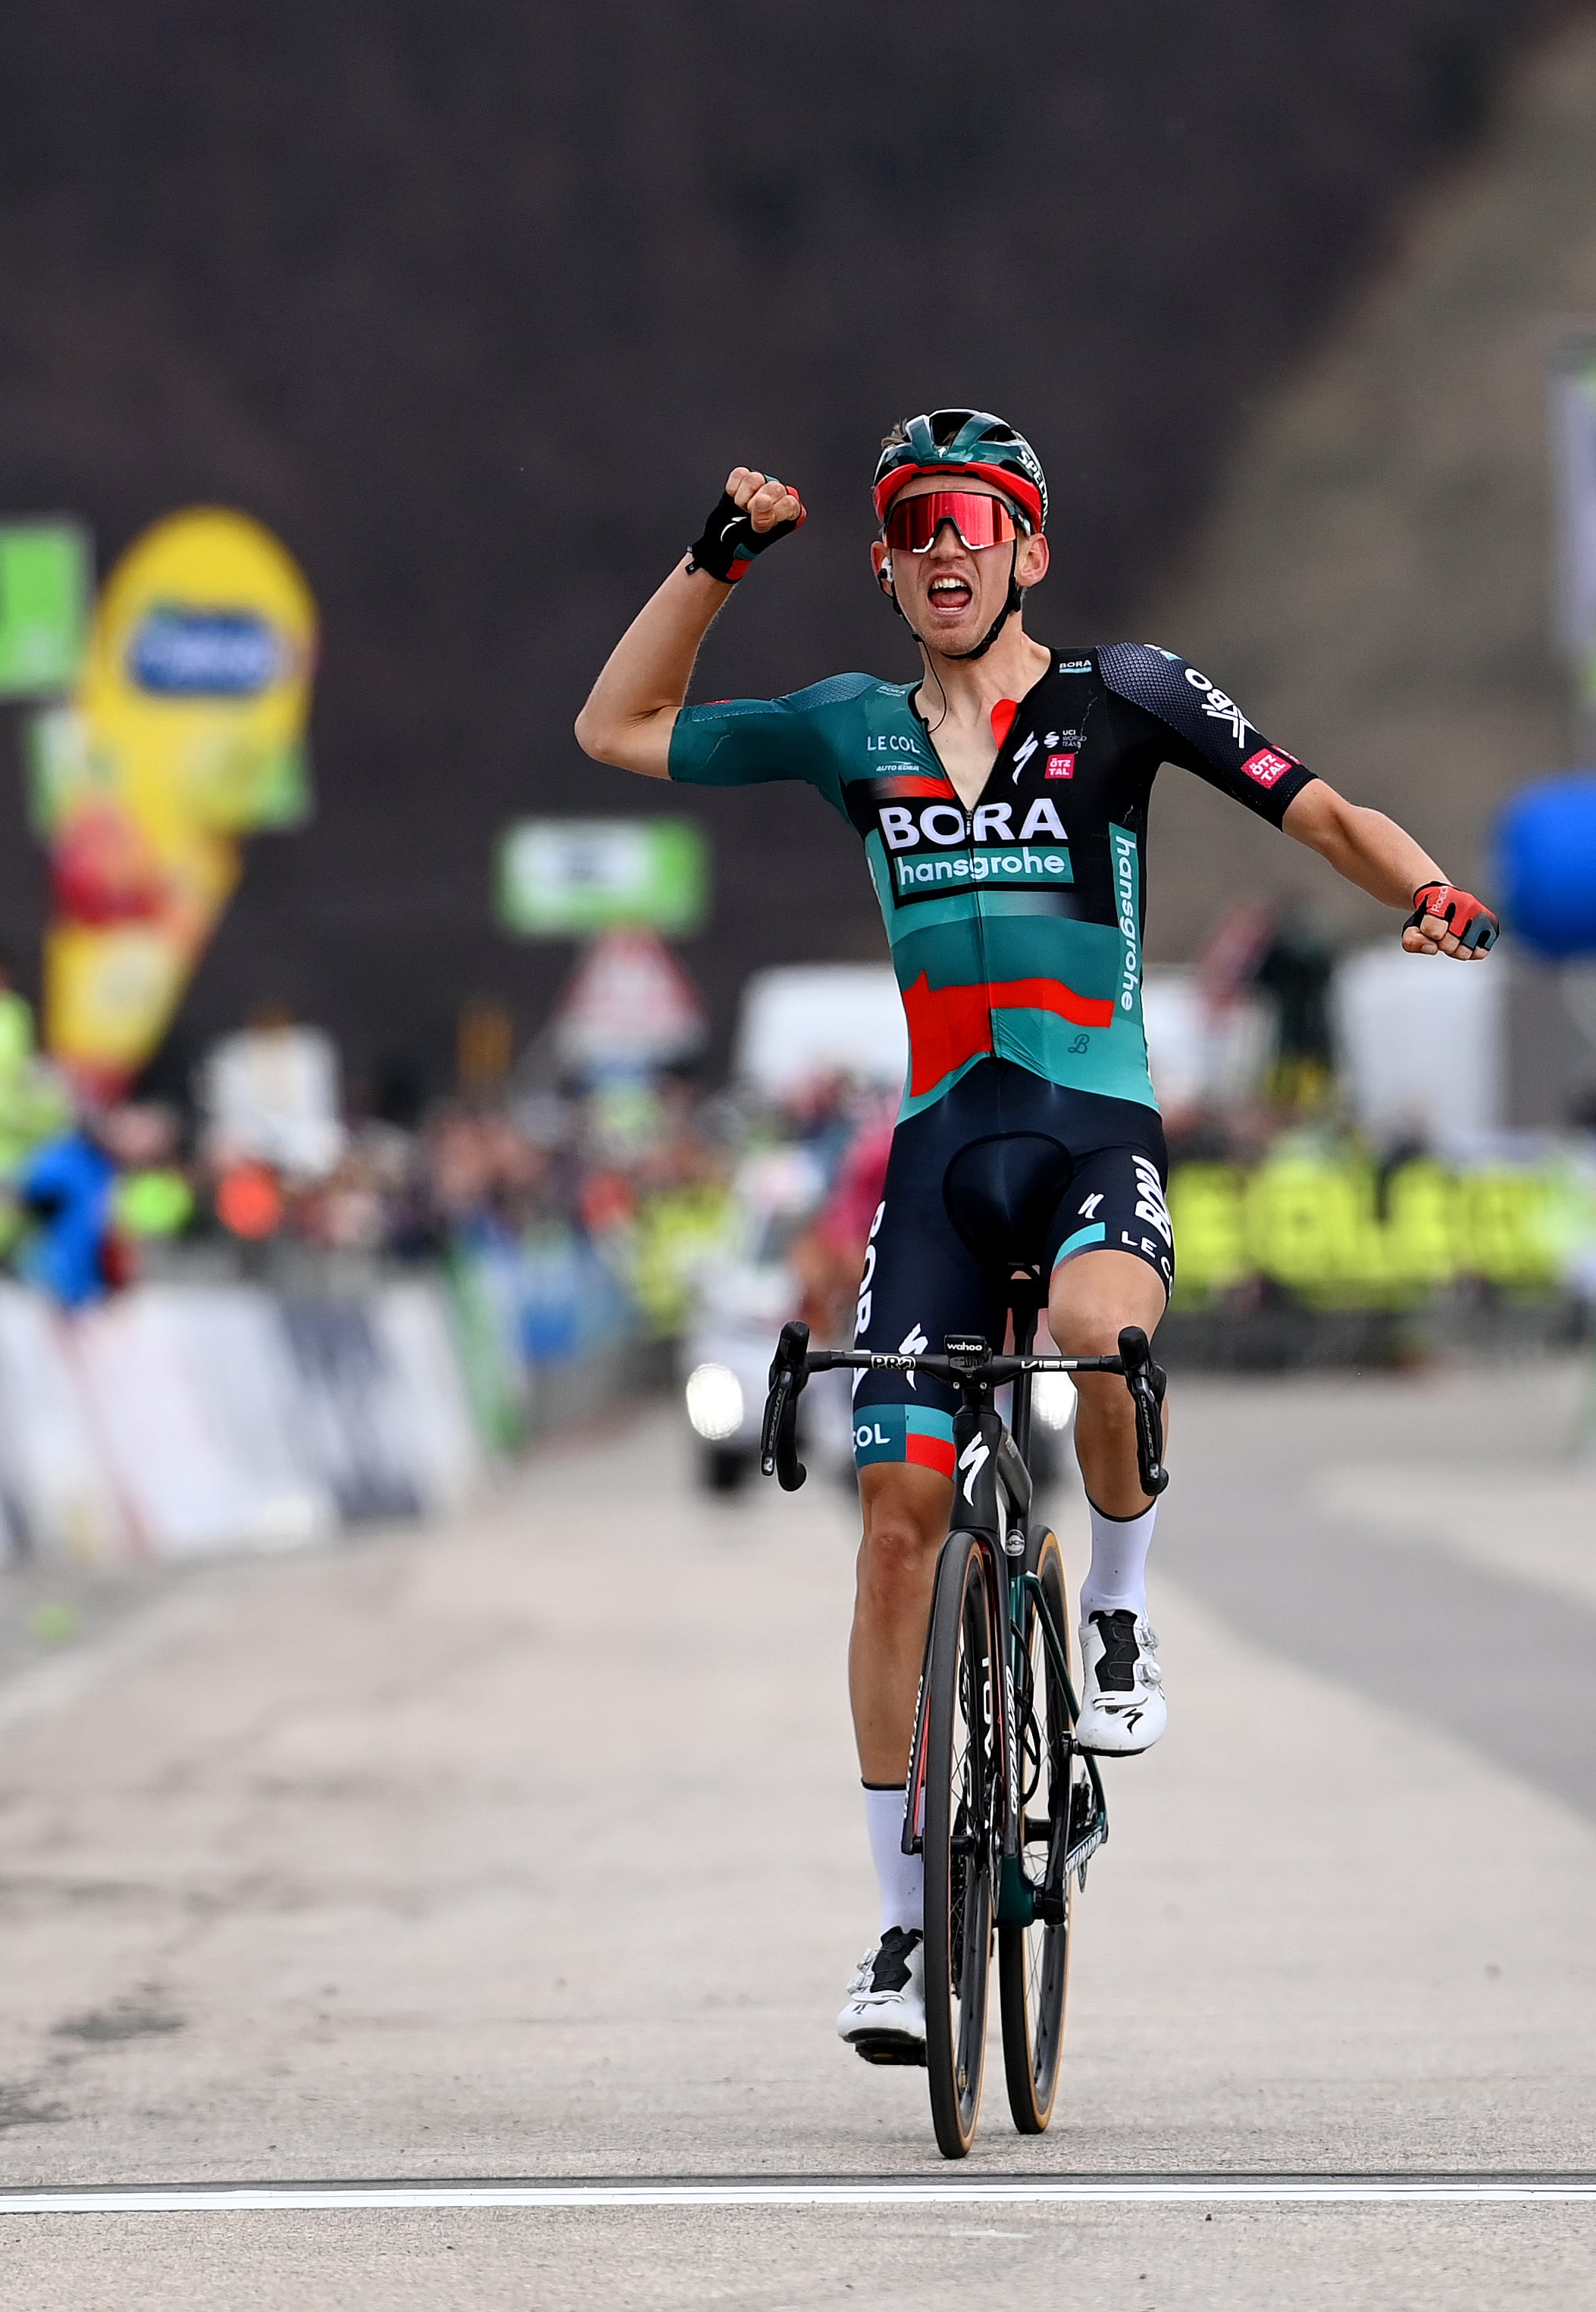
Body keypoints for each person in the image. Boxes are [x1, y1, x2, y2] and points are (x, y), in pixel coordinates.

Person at [574, 410, 1498, 2062]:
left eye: (975, 520)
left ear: (1029, 551)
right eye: (913, 525)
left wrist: (1420, 889)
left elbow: (1313, 805)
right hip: (940, 1161)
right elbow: (616, 725)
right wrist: (713, 566)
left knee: (1095, 1339)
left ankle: (1119, 1609)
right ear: (884, 567)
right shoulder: (850, 729)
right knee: (892, 1527)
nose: (944, 546)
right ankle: (896, 1928)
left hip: (1092, 1131)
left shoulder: (1122, 695)